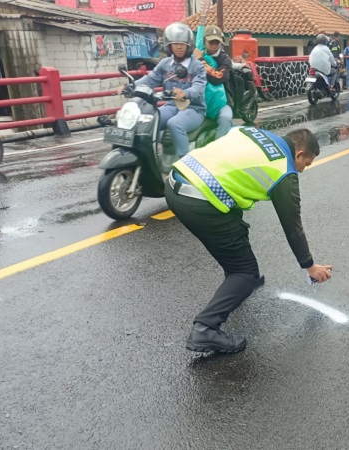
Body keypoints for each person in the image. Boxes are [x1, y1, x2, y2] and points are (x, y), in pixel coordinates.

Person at [166, 127, 333, 353]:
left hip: (176, 180)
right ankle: (205, 328)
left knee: (235, 234)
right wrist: (310, 266)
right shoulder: (283, 170)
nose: (302, 170)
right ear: (299, 154)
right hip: (198, 200)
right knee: (246, 273)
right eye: (306, 164)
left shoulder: (252, 132)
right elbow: (292, 226)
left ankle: (235, 281)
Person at [120, 22, 207, 157]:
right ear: (169, 45)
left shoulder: (197, 66)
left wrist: (186, 93)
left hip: (193, 108)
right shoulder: (165, 64)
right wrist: (130, 87)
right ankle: (148, 158)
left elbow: (198, 87)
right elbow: (150, 79)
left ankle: (183, 162)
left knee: (175, 124)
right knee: (149, 120)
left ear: (189, 45)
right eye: (175, 43)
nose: (179, 47)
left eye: (182, 44)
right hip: (171, 106)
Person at [193, 25, 233, 141]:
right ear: (204, 41)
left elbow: (218, 78)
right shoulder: (195, 54)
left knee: (226, 117)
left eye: (217, 43)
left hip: (221, 102)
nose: (214, 46)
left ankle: (220, 144)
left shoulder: (225, 59)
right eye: (211, 42)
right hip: (198, 101)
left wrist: (200, 61)